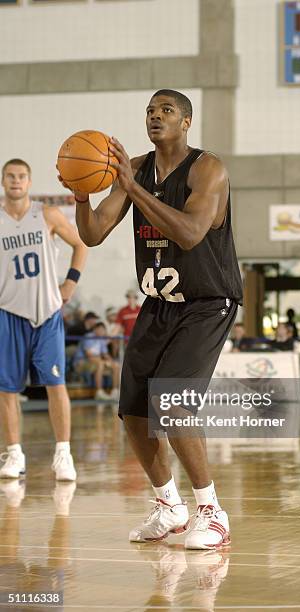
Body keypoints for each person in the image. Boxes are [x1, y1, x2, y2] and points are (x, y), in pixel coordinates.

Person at [58, 89, 243, 549]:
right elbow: (95, 233)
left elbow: (189, 232)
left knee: (175, 404)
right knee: (134, 411)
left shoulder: (208, 169)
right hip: (160, 302)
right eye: (149, 111)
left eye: (166, 111)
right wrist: (82, 195)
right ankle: (169, 506)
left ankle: (211, 511)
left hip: (207, 302)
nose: (155, 117)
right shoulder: (136, 168)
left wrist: (132, 185)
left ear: (186, 122)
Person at [0, 158, 87, 480]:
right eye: (10, 176)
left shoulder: (46, 215)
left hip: (47, 312)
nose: (16, 181)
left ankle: (63, 454)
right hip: (9, 312)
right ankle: (14, 455)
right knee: (7, 390)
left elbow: (81, 244)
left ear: (30, 181)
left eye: (21, 176)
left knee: (56, 383)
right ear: (3, 180)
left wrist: (71, 283)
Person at [73, 321, 120, 400]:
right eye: (100, 330)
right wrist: (105, 362)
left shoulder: (101, 339)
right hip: (81, 362)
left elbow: (105, 354)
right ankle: (99, 392)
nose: (102, 332)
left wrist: (111, 362)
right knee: (100, 364)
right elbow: (89, 355)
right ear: (95, 329)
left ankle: (115, 391)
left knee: (116, 365)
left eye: (103, 330)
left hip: (96, 361)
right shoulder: (88, 337)